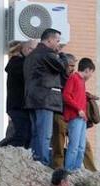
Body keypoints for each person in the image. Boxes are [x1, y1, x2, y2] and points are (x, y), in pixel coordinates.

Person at [23, 28, 64, 165]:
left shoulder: (31, 55)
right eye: (57, 41)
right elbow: (61, 68)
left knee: (36, 132)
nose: (59, 44)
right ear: (49, 40)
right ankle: (43, 162)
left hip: (31, 98)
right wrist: (61, 56)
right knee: (45, 134)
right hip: (45, 99)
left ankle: (36, 160)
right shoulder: (47, 54)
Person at [61, 57, 95, 172]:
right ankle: (69, 170)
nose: (91, 76)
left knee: (81, 147)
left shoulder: (81, 82)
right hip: (74, 117)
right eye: (91, 72)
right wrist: (78, 109)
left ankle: (77, 169)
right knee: (74, 146)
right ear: (87, 70)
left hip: (82, 118)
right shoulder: (74, 78)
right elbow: (66, 96)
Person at [3, 40, 37, 148]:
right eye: (33, 49)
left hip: (23, 106)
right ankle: (6, 152)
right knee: (22, 135)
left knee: (26, 135)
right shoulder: (17, 63)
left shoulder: (21, 62)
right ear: (27, 49)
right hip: (17, 106)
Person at [49, 52, 76, 169]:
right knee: (59, 142)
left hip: (71, 116)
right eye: (70, 66)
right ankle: (58, 166)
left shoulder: (73, 79)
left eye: (74, 66)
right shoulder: (57, 77)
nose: (73, 69)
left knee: (82, 144)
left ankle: (90, 170)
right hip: (59, 113)